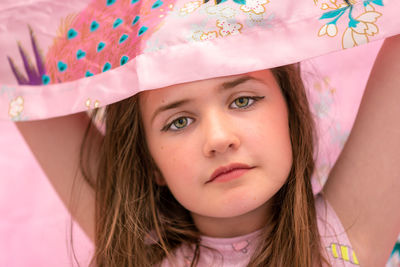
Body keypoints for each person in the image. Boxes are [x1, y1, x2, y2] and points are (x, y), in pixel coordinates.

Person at [2, 0, 400, 266]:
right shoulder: (141, 254)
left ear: (289, 118)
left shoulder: (341, 242)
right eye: (179, 122)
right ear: (150, 162)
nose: (218, 138)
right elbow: (19, 66)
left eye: (243, 100)